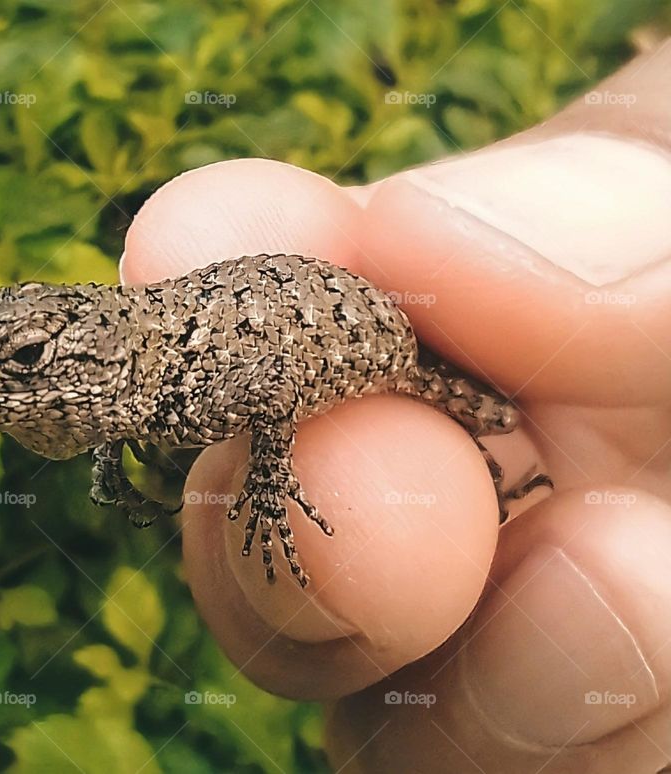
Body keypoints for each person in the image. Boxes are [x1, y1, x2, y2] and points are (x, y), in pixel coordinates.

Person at [121, 40, 671, 773]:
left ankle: (487, 478)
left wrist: (266, 483)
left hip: (389, 345)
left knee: (496, 421)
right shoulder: (131, 377)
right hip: (369, 343)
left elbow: (271, 386)